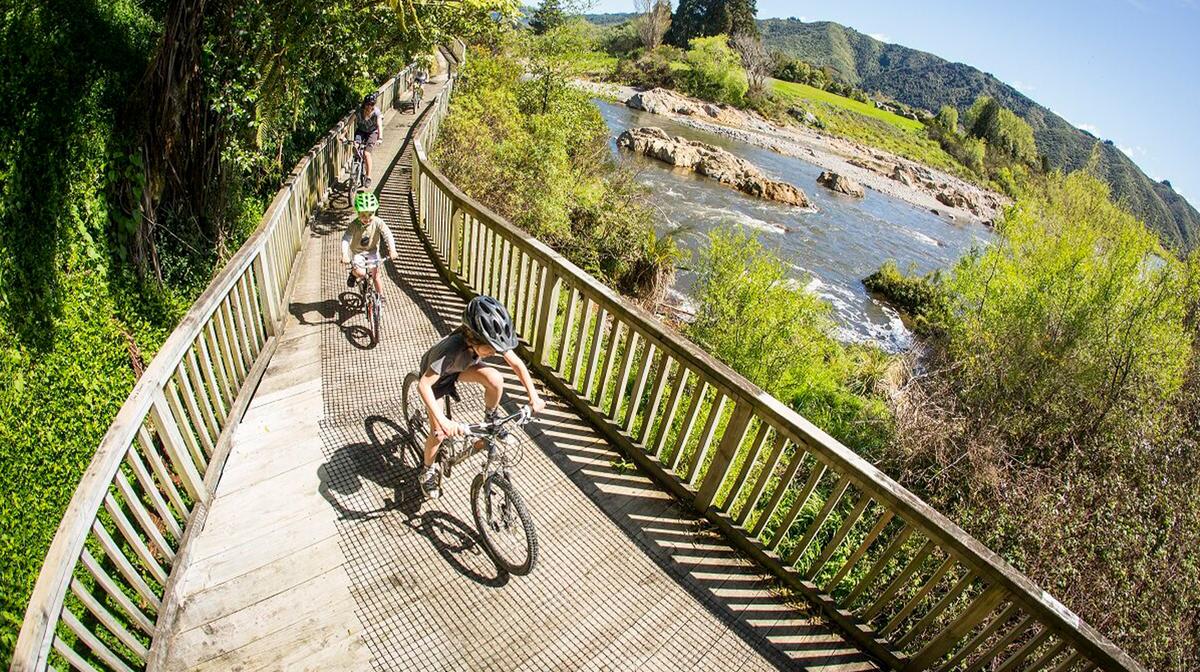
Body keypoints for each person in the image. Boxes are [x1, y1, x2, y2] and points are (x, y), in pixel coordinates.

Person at [415, 295, 546, 498]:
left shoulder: (484, 343)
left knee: (495, 378)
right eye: (491, 348)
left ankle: (490, 416)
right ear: (472, 339)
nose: (495, 353)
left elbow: (517, 364)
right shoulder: (450, 349)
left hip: (460, 367)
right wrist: (443, 421)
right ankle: (427, 470)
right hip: (437, 380)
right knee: (438, 433)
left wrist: (534, 397)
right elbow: (423, 385)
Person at [341, 192, 397, 297]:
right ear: (358, 213)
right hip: (358, 252)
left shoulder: (378, 222)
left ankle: (381, 297)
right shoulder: (354, 225)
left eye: (370, 214)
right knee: (361, 273)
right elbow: (346, 238)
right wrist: (345, 254)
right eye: (363, 215)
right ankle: (353, 274)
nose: (367, 218)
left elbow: (387, 234)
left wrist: (392, 249)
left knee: (376, 276)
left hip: (372, 251)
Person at [353, 93, 384, 186]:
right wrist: (343, 134)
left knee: (367, 154)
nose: (369, 106)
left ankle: (368, 176)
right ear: (364, 104)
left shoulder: (376, 113)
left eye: (372, 104)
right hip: (361, 130)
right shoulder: (359, 110)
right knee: (355, 146)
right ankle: (357, 163)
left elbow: (379, 125)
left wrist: (380, 138)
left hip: (372, 132)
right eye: (367, 104)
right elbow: (350, 121)